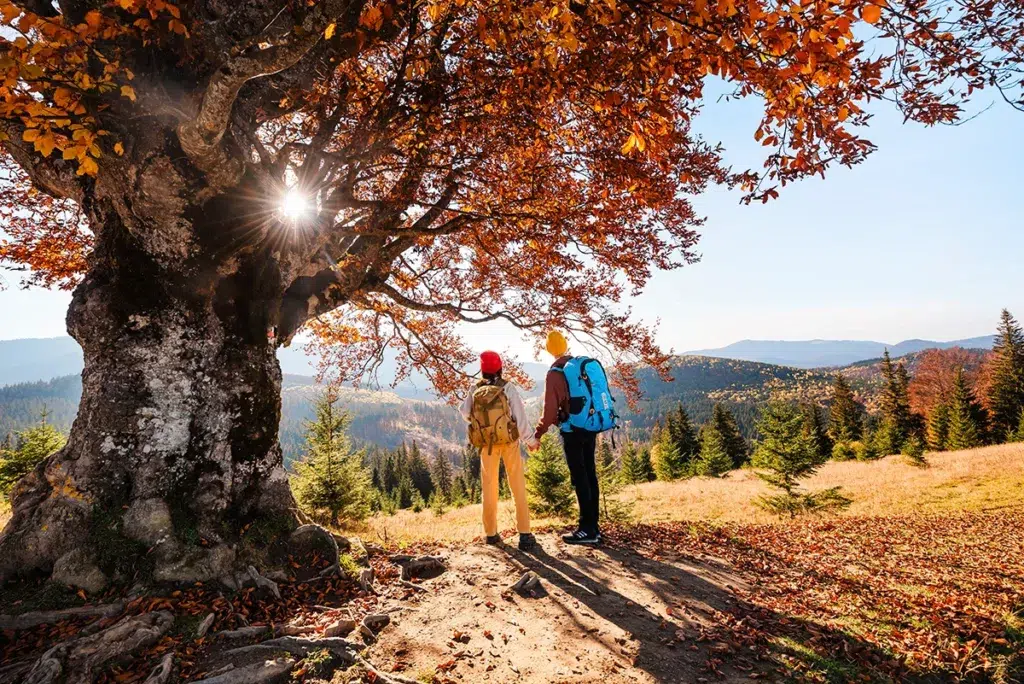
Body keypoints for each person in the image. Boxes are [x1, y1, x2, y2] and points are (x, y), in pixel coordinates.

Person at [460, 351, 537, 551]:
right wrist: (530, 440)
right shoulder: (507, 387)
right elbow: (520, 418)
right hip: (509, 441)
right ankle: (525, 534)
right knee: (517, 484)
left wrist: (483, 426)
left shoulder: (474, 388)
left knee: (489, 485)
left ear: (482, 369)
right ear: (500, 368)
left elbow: (464, 412)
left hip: (487, 444)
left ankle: (491, 534)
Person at [532, 331, 601, 545]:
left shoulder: (554, 373)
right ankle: (593, 526)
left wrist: (538, 433)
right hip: (590, 426)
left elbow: (550, 411)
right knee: (590, 473)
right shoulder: (578, 367)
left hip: (572, 430)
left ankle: (586, 529)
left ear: (549, 350)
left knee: (579, 477)